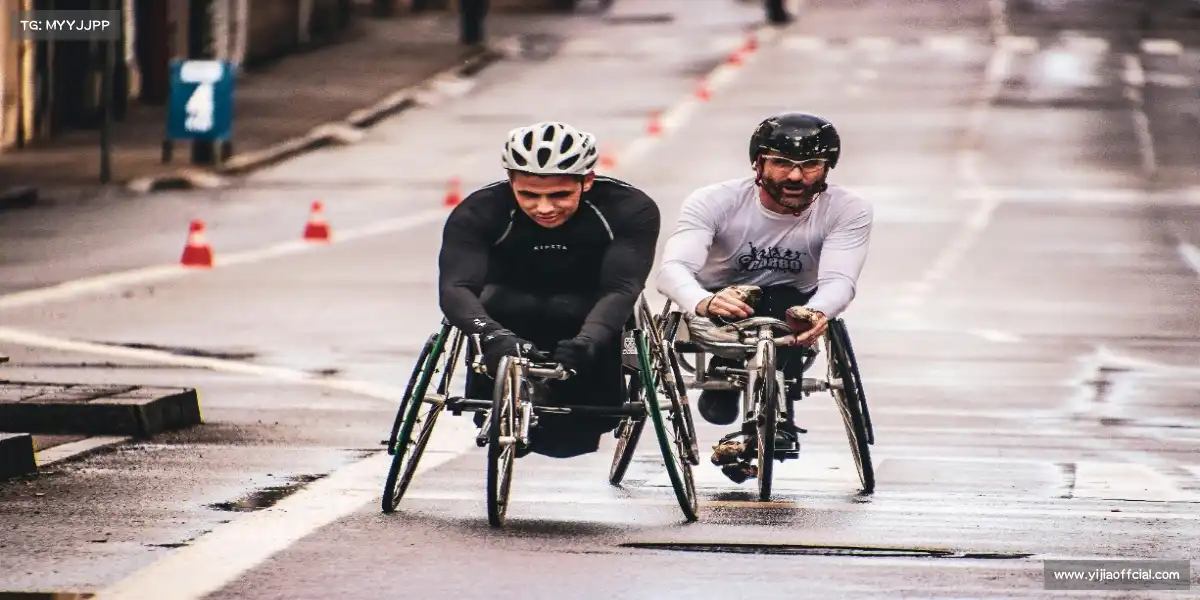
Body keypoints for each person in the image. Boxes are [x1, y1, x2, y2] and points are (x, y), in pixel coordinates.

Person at [656, 111, 873, 483]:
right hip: (720, 302)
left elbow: (839, 280)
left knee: (787, 303)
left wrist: (817, 311)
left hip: (789, 305)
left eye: (810, 166)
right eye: (782, 163)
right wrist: (703, 302)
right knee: (719, 407)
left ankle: (778, 417)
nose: (794, 176)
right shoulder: (715, 201)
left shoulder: (848, 210)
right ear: (759, 163)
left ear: (827, 168)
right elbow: (672, 269)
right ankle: (725, 387)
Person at [438, 121, 662, 459]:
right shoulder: (480, 210)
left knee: (571, 443)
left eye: (559, 195)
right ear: (511, 182)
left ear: (586, 181)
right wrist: (491, 335)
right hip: (508, 309)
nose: (544, 208)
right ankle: (509, 397)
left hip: (588, 310)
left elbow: (621, 288)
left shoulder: (629, 208)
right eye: (528, 194)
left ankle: (560, 397)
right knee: (494, 303)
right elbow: (456, 287)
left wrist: (589, 342)